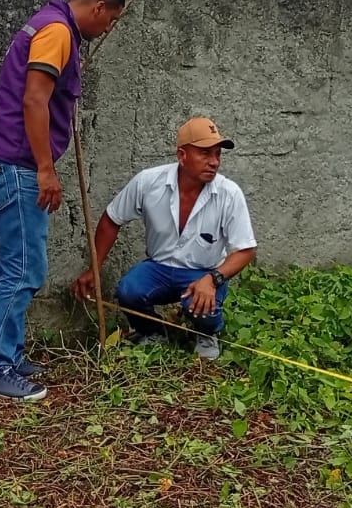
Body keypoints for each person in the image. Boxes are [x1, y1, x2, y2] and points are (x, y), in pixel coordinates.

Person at [0, 0, 126, 401]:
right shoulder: (56, 32)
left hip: (9, 161)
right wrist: (45, 169)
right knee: (22, 268)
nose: (107, 29)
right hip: (14, 165)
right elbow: (34, 100)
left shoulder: (51, 26)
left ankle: (9, 355)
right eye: (110, 21)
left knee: (21, 265)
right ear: (98, 8)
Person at [72, 117, 257, 361]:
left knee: (202, 305)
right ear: (182, 156)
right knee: (129, 291)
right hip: (159, 268)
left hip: (203, 273)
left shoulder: (229, 194)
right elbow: (111, 219)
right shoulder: (149, 182)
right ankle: (153, 332)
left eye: (217, 154)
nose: (214, 162)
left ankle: (207, 334)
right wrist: (94, 268)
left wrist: (212, 279)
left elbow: (246, 250)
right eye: (205, 153)